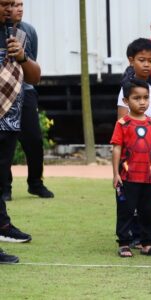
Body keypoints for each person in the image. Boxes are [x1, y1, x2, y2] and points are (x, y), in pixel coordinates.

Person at [117, 38, 151, 247]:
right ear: (131, 61)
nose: (147, 64)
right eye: (141, 60)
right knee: (134, 193)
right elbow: (122, 123)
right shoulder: (125, 90)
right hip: (134, 152)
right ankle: (135, 234)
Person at [0, 0, 41, 262]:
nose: (10, 10)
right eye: (4, 4)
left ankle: (3, 226)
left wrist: (22, 56)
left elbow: (35, 77)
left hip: (9, 119)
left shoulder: (22, 34)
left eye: (15, 4)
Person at [2, 0, 53, 202]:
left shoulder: (27, 31)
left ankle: (36, 183)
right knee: (5, 143)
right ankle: (5, 188)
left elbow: (32, 67)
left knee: (33, 140)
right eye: (13, 4)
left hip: (25, 91)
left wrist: (22, 57)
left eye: (21, 4)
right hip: (2, 94)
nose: (18, 8)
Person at [111, 79, 151, 258]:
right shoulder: (123, 123)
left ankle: (147, 243)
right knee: (126, 210)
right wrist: (115, 174)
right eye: (137, 98)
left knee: (147, 211)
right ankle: (124, 243)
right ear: (126, 101)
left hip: (147, 177)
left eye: (145, 98)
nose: (142, 102)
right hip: (127, 177)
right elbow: (116, 147)